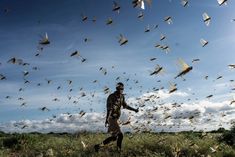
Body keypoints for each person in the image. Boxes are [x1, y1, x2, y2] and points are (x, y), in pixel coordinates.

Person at [94, 82, 139, 152]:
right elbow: (109, 108)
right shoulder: (111, 96)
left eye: (122, 89)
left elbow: (125, 106)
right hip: (112, 118)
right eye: (119, 88)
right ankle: (119, 151)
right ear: (116, 88)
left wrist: (134, 110)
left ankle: (98, 146)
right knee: (120, 135)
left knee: (114, 138)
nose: (121, 90)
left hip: (116, 119)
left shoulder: (122, 97)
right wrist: (107, 119)